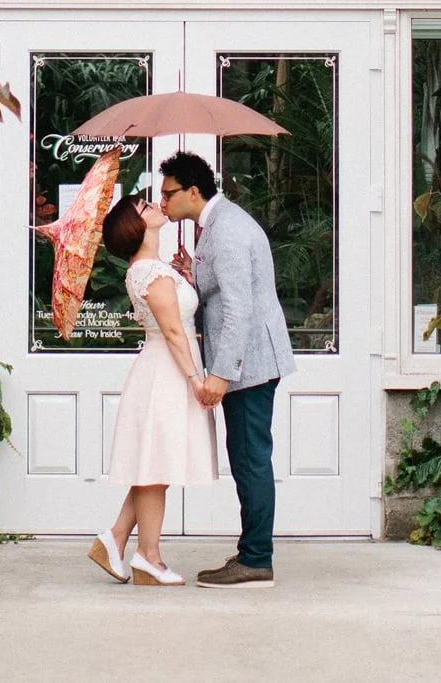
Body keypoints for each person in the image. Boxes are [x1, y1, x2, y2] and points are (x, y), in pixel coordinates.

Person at [159, 150, 294, 588]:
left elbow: (238, 308)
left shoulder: (229, 231)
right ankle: (252, 551)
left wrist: (221, 373)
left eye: (168, 193)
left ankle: (257, 559)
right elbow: (227, 290)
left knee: (251, 458)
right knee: (247, 457)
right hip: (246, 361)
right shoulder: (215, 224)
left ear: (193, 191)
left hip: (249, 363)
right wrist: (193, 274)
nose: (162, 202)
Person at [88, 192, 216, 587]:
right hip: (166, 372)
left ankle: (115, 538)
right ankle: (149, 556)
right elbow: (175, 331)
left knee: (152, 465)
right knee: (156, 466)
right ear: (137, 226)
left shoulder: (156, 268)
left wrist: (187, 277)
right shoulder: (148, 272)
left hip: (165, 369)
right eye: (144, 208)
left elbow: (179, 317)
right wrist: (196, 379)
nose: (154, 205)